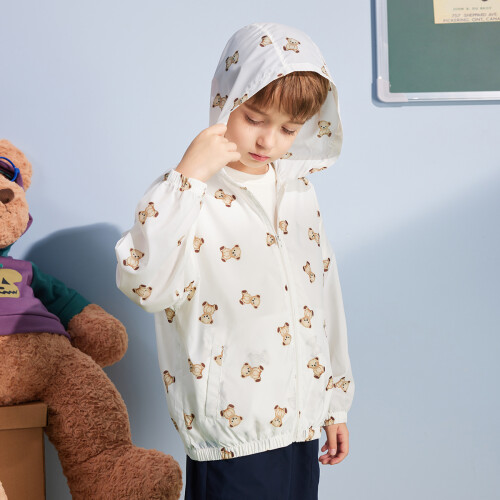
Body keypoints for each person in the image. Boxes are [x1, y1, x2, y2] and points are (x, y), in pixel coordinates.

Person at [115, 21, 355, 499]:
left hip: (302, 427)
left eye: (288, 129)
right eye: (255, 119)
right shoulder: (186, 194)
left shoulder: (298, 192)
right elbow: (145, 285)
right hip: (231, 436)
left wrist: (334, 402)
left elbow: (324, 298)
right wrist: (187, 177)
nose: (268, 142)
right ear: (226, 100)